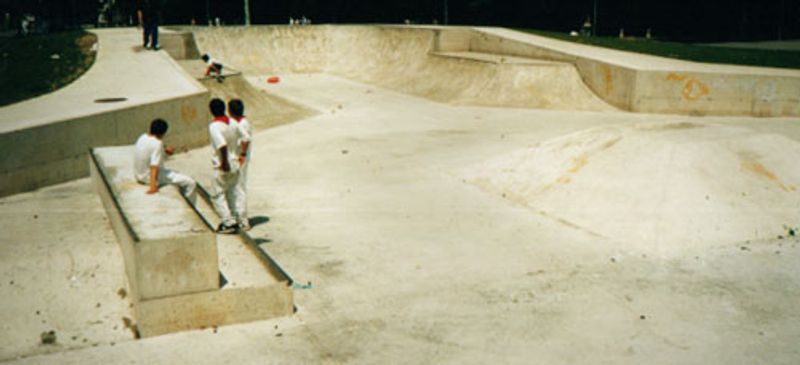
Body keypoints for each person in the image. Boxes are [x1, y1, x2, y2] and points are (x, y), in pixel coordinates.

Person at [134, 119, 196, 201]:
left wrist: (165, 150)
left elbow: (150, 148)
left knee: (176, 173)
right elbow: (154, 166)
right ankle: (190, 204)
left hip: (139, 174)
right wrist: (153, 187)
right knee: (190, 183)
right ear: (163, 133)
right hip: (148, 177)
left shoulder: (142, 137)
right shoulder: (157, 143)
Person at [208, 98, 245, 234]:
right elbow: (245, 138)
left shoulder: (214, 126)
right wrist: (242, 154)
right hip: (235, 163)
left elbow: (221, 145)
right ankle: (236, 218)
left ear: (211, 111)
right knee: (231, 192)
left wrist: (224, 162)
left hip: (223, 164)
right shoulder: (233, 122)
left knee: (217, 194)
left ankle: (228, 222)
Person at [228, 99, 252, 231]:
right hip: (236, 159)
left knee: (239, 188)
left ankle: (243, 220)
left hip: (240, 160)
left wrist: (242, 155)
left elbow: (246, 139)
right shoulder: (236, 122)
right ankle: (236, 216)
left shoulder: (242, 124)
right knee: (234, 188)